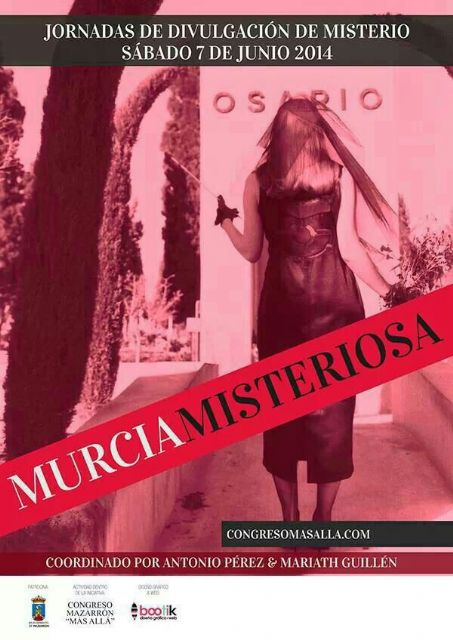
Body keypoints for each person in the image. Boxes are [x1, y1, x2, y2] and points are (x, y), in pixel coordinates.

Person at [216, 96, 397, 522]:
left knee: (280, 413)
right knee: (334, 415)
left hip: (281, 313)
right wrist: (391, 293)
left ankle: (290, 520)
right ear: (318, 134)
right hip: (337, 310)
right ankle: (323, 518)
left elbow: (251, 251)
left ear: (278, 135)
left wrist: (225, 221)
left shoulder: (257, 182)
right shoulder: (339, 177)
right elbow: (350, 250)